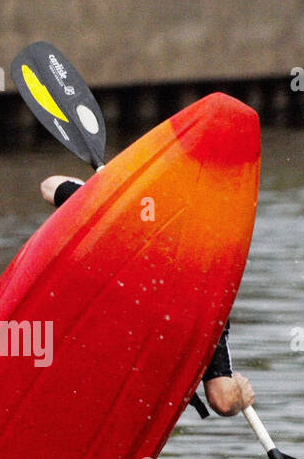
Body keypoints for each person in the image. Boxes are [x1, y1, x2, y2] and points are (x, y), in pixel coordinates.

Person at [41, 176, 255, 418]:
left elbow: (224, 401)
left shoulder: (207, 303)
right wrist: (104, 188)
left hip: (108, 388)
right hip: (83, 365)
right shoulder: (126, 217)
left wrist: (239, 396)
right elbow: (50, 187)